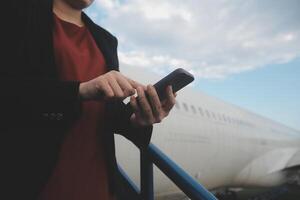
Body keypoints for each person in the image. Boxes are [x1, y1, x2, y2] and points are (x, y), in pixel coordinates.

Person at [2, 0, 176, 199]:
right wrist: (79, 91)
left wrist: (138, 119)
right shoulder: (14, 11)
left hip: (96, 181)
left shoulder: (106, 40)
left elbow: (106, 111)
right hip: (33, 180)